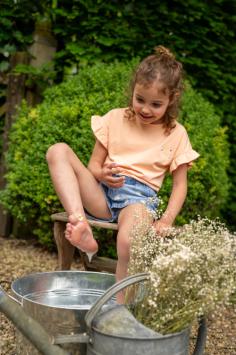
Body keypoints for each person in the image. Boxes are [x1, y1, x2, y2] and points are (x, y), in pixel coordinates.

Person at [46, 46, 199, 302]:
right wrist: (102, 173)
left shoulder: (176, 133)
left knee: (128, 242)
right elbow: (94, 165)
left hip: (138, 201)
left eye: (156, 104)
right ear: (133, 90)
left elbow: (180, 185)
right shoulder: (115, 118)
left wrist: (167, 220)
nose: (146, 109)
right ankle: (80, 223)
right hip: (103, 193)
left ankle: (119, 312)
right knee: (57, 151)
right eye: (140, 99)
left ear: (172, 99)